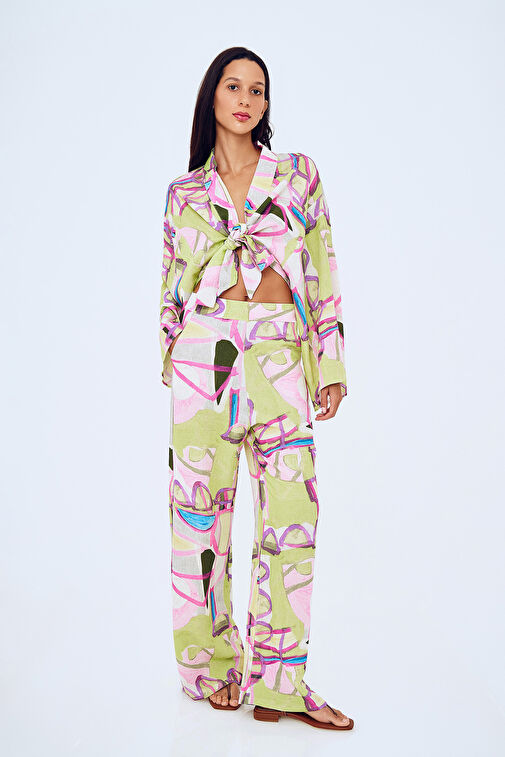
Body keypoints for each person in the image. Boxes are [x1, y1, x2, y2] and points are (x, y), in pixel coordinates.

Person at [159, 46, 354, 731]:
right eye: (234, 87)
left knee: (292, 516)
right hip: (203, 358)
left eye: (258, 90)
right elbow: (170, 286)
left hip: (278, 351)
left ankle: (279, 682)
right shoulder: (184, 194)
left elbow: (321, 264)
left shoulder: (297, 176)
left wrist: (329, 361)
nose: (246, 100)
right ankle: (214, 667)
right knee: (198, 520)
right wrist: (173, 362)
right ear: (211, 96)